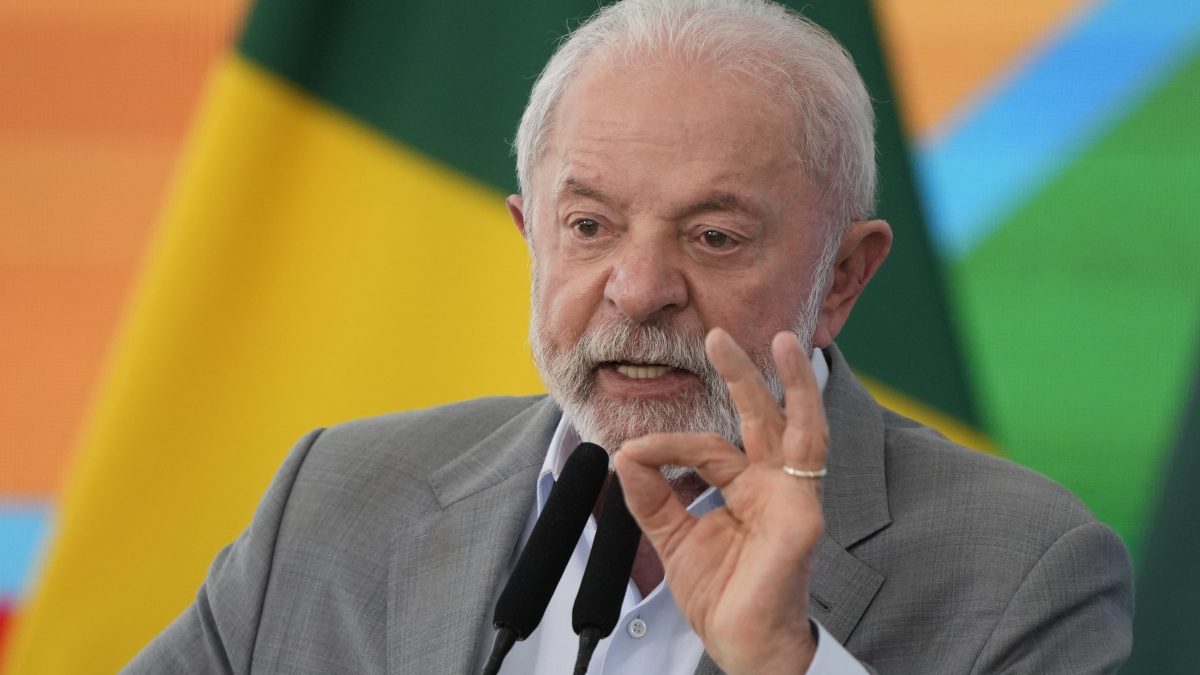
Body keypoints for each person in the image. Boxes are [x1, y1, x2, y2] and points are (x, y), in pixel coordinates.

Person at [127, 0, 1133, 672]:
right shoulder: (338, 496)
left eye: (714, 235)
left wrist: (791, 662)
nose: (640, 290)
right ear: (532, 238)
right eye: (590, 227)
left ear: (844, 278)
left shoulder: (1026, 566)